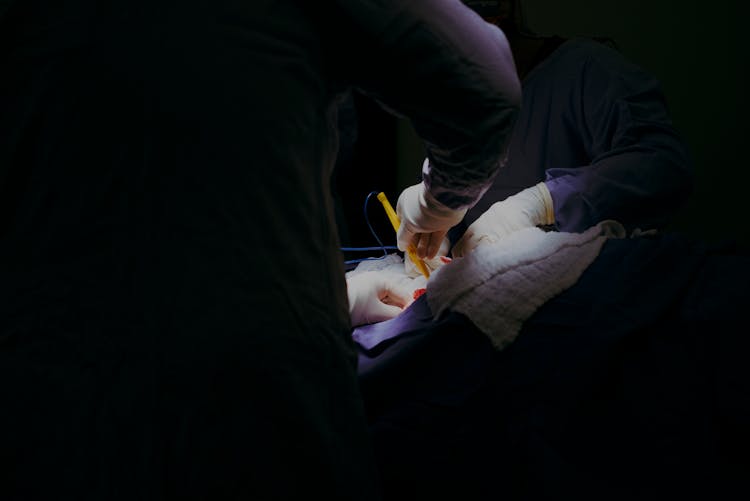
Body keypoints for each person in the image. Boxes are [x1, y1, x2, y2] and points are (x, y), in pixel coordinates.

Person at [0, 1, 521, 500]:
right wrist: (436, 206)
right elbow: (485, 92)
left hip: (49, 428)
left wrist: (339, 296)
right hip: (257, 417)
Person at [449, 0, 693, 256]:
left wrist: (544, 202)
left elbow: (662, 167)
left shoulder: (589, 70)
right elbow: (457, 199)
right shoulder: (462, 105)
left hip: (593, 280)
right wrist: (438, 226)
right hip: (489, 284)